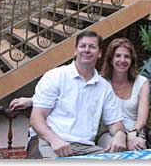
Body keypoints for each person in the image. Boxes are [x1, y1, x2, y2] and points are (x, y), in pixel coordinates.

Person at [29, 30, 127, 158]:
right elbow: (36, 118)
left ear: (99, 53)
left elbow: (114, 122)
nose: (87, 50)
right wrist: (55, 140)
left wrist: (121, 134)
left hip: (86, 147)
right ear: (75, 51)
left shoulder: (104, 87)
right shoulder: (55, 76)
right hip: (49, 141)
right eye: (82, 46)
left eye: (92, 47)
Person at [99, 37, 150, 151]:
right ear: (110, 59)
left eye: (127, 56)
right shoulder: (101, 82)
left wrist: (133, 133)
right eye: (118, 55)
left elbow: (142, 118)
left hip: (135, 132)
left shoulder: (142, 82)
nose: (122, 60)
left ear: (132, 60)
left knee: (138, 149)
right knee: (116, 148)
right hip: (109, 131)